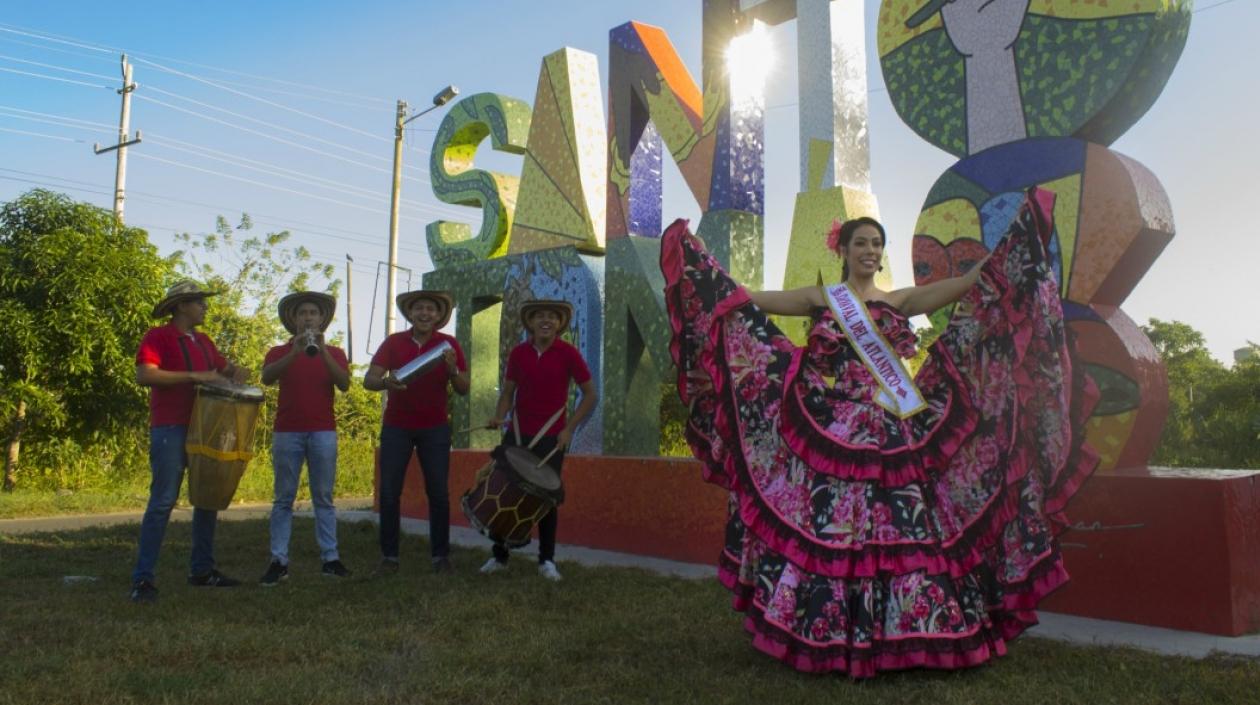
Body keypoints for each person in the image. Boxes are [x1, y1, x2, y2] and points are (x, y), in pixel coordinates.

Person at [659, 188, 1098, 677]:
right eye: (861, 243)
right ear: (843, 251)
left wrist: (1018, 237)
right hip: (836, 427)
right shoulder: (822, 298)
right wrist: (702, 268)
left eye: (876, 245)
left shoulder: (899, 300)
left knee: (907, 525)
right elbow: (746, 301)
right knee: (835, 527)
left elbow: (972, 284)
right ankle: (830, 629)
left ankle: (911, 631)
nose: (870, 251)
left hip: (895, 425)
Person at [130, 281, 252, 603]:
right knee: (162, 501)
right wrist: (195, 376)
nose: (204, 307)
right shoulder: (158, 336)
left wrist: (237, 372)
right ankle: (143, 579)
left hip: (205, 427)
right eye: (199, 302)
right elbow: (145, 375)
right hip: (170, 427)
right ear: (182, 305)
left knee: (207, 497)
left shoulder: (204, 341)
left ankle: (202, 571)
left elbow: (225, 369)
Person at [479, 300, 597, 581]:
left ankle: (546, 560)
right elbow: (508, 393)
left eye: (552, 317)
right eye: (539, 316)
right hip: (518, 433)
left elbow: (591, 394)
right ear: (530, 323)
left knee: (545, 500)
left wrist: (569, 429)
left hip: (552, 436)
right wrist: (499, 416)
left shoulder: (568, 353)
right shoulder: (519, 354)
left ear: (559, 324)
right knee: (507, 492)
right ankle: (500, 556)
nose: (546, 320)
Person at [364, 290, 469, 574]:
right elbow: (369, 379)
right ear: (410, 314)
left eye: (430, 309)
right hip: (396, 426)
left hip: (435, 428)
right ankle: (389, 558)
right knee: (389, 493)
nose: (424, 313)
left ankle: (441, 557)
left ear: (438, 316)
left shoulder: (448, 345)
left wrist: (451, 370)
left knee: (438, 493)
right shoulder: (394, 342)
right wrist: (387, 383)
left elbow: (463, 388)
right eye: (419, 309)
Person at [258, 291, 352, 586]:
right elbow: (267, 377)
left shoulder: (335, 352)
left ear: (322, 319)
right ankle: (278, 561)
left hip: (323, 431)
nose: (308, 317)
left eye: (313, 313)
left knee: (323, 498)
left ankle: (331, 559)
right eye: (303, 313)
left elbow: (345, 383)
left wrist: (321, 351)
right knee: (283, 498)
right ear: (294, 320)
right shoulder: (278, 351)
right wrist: (295, 352)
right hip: (287, 432)